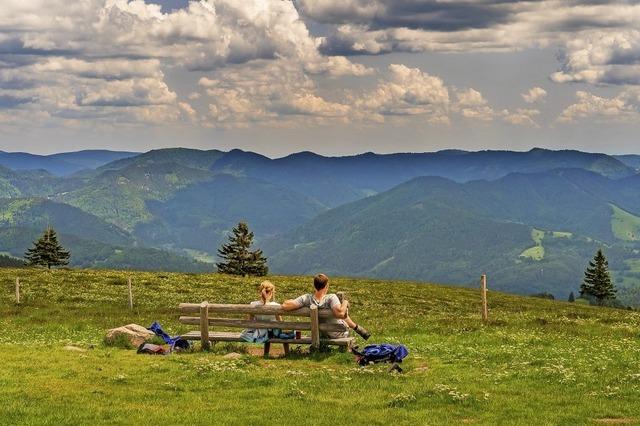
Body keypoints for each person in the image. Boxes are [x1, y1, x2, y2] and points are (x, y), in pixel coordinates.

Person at [281, 273, 370, 340]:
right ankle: (358, 329)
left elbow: (285, 306)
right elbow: (341, 314)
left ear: (314, 286)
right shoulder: (331, 298)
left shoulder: (307, 298)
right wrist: (345, 302)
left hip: (320, 333)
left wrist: (288, 300)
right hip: (338, 333)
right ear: (326, 286)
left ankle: (357, 328)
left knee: (338, 314)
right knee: (342, 317)